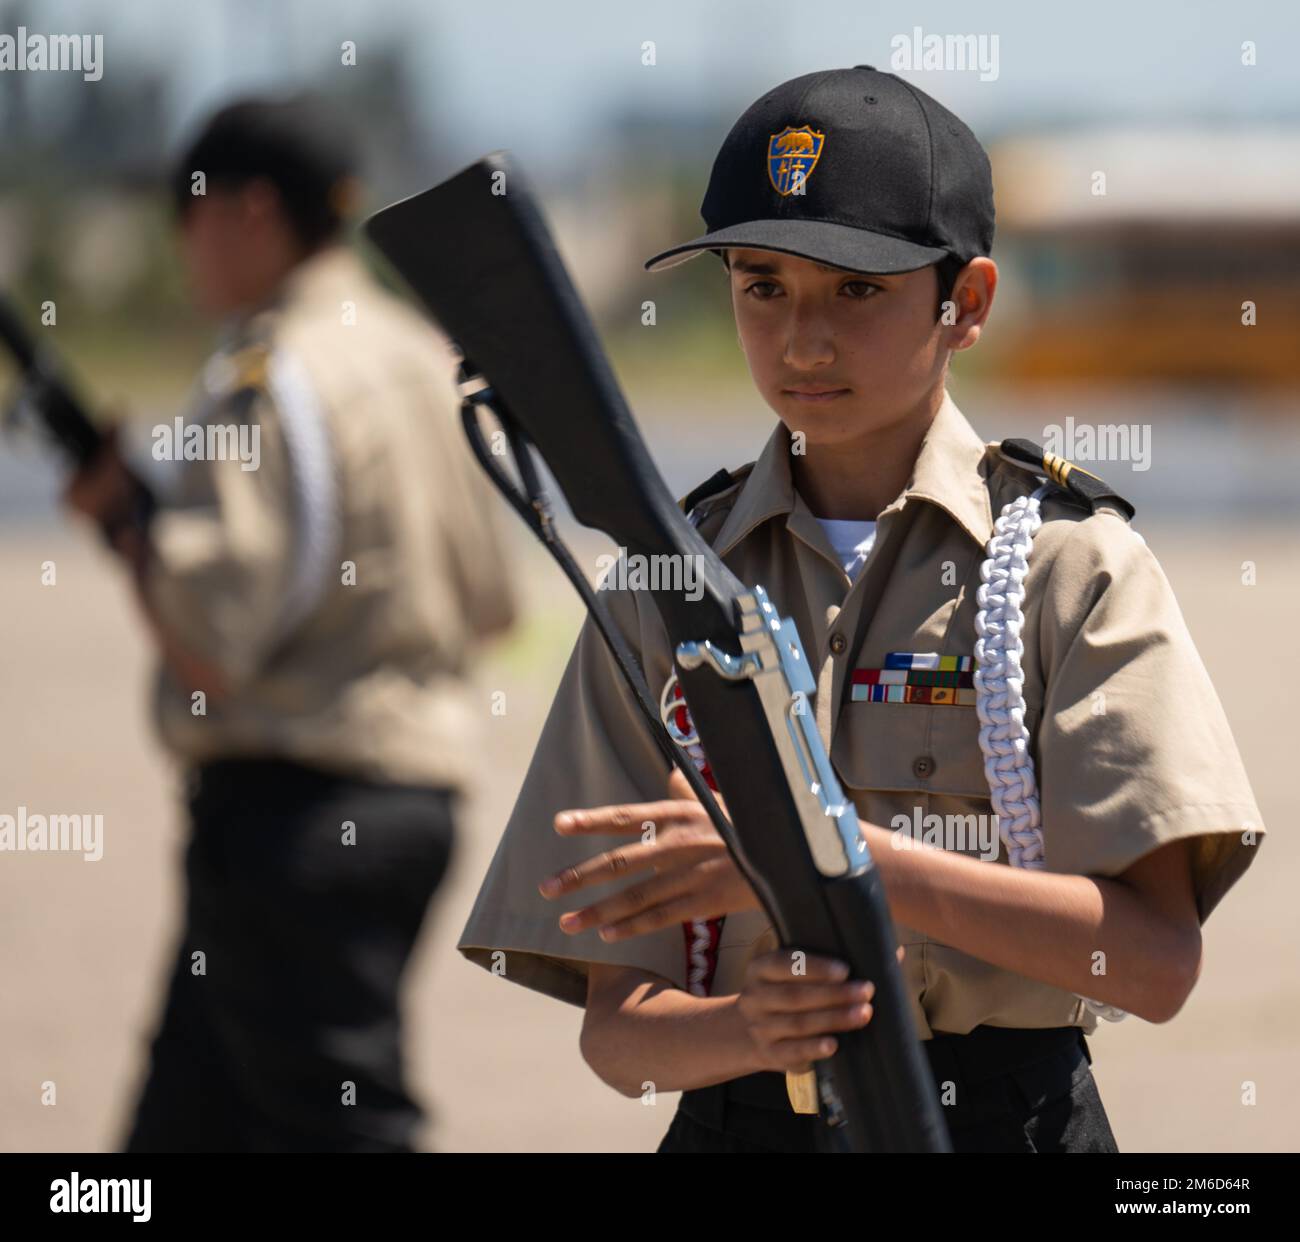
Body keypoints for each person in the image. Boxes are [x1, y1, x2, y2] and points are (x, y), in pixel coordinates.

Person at [455, 66, 1264, 1153]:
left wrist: (833, 858)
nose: (801, 341)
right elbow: (620, 1035)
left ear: (965, 302)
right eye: (761, 285)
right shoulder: (662, 583)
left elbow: (1153, 965)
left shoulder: (1071, 570)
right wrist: (746, 1026)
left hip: (995, 1123)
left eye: (857, 289)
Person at [65, 95, 517, 1151]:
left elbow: (210, 638)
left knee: (343, 1122)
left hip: (296, 816)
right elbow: (493, 602)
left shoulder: (267, 374)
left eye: (188, 212)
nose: (178, 243)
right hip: (412, 797)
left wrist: (129, 527)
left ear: (252, 212)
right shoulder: (416, 348)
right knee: (186, 1124)